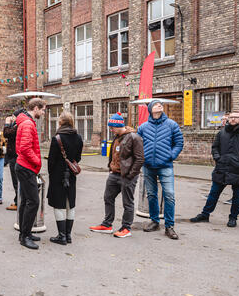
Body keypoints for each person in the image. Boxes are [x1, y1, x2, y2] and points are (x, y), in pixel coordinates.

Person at [190, 110, 239, 227]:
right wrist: (218, 158)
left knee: (237, 195)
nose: (233, 119)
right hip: (222, 168)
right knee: (213, 193)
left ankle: (233, 218)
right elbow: (215, 147)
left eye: (236, 117)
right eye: (231, 117)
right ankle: (205, 214)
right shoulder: (222, 132)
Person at [90, 113, 144, 238]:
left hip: (127, 176)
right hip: (114, 174)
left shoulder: (134, 137)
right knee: (108, 198)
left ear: (118, 125)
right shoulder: (117, 137)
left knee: (127, 203)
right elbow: (113, 154)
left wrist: (130, 175)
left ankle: (126, 228)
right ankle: (107, 224)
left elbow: (140, 159)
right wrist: (110, 167)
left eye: (112, 127)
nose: (111, 129)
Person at [137, 99, 184, 240]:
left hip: (166, 166)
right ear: (150, 109)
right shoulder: (143, 127)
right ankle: (154, 221)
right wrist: (142, 158)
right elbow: (138, 145)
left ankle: (169, 226)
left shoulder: (171, 125)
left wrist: (171, 155)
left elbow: (179, 142)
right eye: (156, 104)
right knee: (151, 194)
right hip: (148, 166)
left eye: (160, 104)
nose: (159, 105)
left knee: (169, 195)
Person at [46, 111, 83, 245]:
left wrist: (52, 174)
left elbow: (51, 160)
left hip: (57, 175)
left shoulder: (57, 138)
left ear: (60, 122)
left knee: (59, 204)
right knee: (70, 204)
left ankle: (61, 236)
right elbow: (78, 158)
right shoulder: (78, 137)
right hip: (71, 175)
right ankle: (68, 235)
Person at [15, 98, 46, 249]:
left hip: (23, 166)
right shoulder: (28, 124)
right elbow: (25, 148)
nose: (43, 112)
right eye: (43, 109)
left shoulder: (26, 122)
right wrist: (37, 162)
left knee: (26, 201)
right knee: (33, 202)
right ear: (35, 108)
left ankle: (24, 232)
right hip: (26, 167)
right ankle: (25, 236)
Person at [3, 112, 21, 210]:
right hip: (13, 156)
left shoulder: (18, 126)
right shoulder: (15, 125)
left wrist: (6, 123)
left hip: (15, 156)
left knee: (16, 181)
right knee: (16, 181)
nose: (11, 118)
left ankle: (18, 202)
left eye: (13, 116)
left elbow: (6, 133)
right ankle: (17, 200)